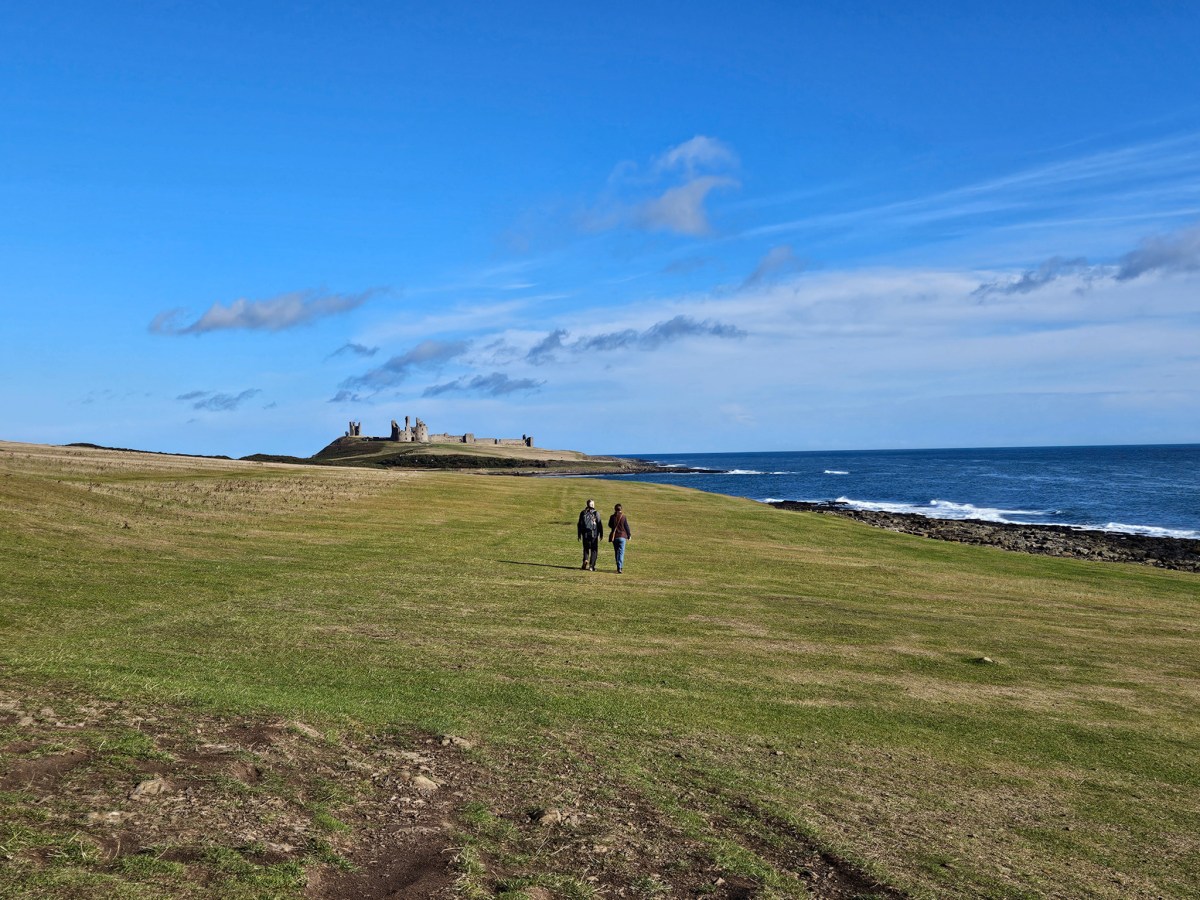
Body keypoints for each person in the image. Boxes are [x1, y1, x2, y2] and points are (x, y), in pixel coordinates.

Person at [576, 499, 603, 571]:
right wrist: (601, 534)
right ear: (593, 505)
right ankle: (592, 566)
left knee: (586, 548)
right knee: (594, 550)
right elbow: (599, 524)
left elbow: (579, 524)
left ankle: (585, 559)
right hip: (594, 534)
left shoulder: (583, 513)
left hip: (585, 534)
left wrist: (579, 534)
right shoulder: (596, 513)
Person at [607, 503, 632, 573]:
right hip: (622, 537)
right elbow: (626, 526)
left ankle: (618, 566)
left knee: (616, 552)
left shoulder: (612, 517)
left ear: (615, 509)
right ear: (621, 509)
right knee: (621, 552)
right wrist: (629, 535)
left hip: (615, 537)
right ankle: (620, 568)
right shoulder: (623, 517)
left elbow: (609, 525)